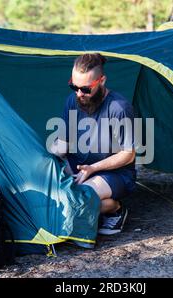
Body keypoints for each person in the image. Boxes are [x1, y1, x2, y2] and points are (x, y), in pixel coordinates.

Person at [50, 53, 136, 235]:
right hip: (79, 168)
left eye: (86, 89)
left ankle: (115, 208)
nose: (79, 93)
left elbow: (128, 154)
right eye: (74, 86)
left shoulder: (119, 108)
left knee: (77, 199)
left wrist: (93, 168)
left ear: (102, 80)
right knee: (49, 190)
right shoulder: (72, 101)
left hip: (112, 173)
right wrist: (45, 157)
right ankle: (95, 208)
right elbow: (63, 143)